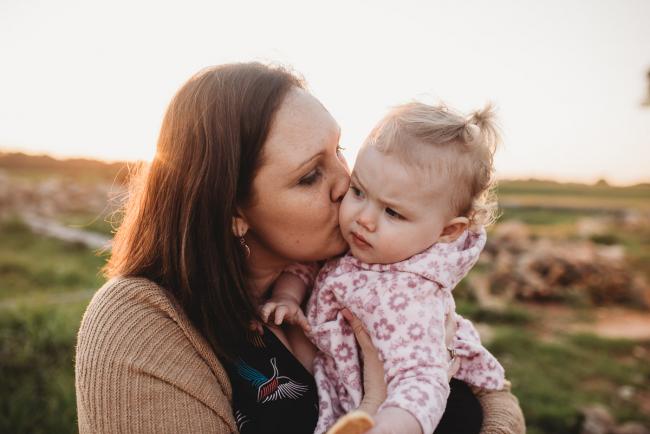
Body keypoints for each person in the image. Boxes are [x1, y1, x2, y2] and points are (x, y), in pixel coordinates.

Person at [74, 62, 526, 433]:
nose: (347, 183)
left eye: (339, 150)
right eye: (311, 175)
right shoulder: (144, 322)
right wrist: (374, 402)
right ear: (233, 211)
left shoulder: (351, 263)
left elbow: (495, 394)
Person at [262, 101, 507, 434]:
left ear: (448, 231)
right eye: (359, 191)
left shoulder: (411, 297)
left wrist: (386, 426)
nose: (363, 218)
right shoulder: (364, 246)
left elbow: (423, 382)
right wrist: (288, 297)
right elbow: (309, 268)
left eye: (392, 212)